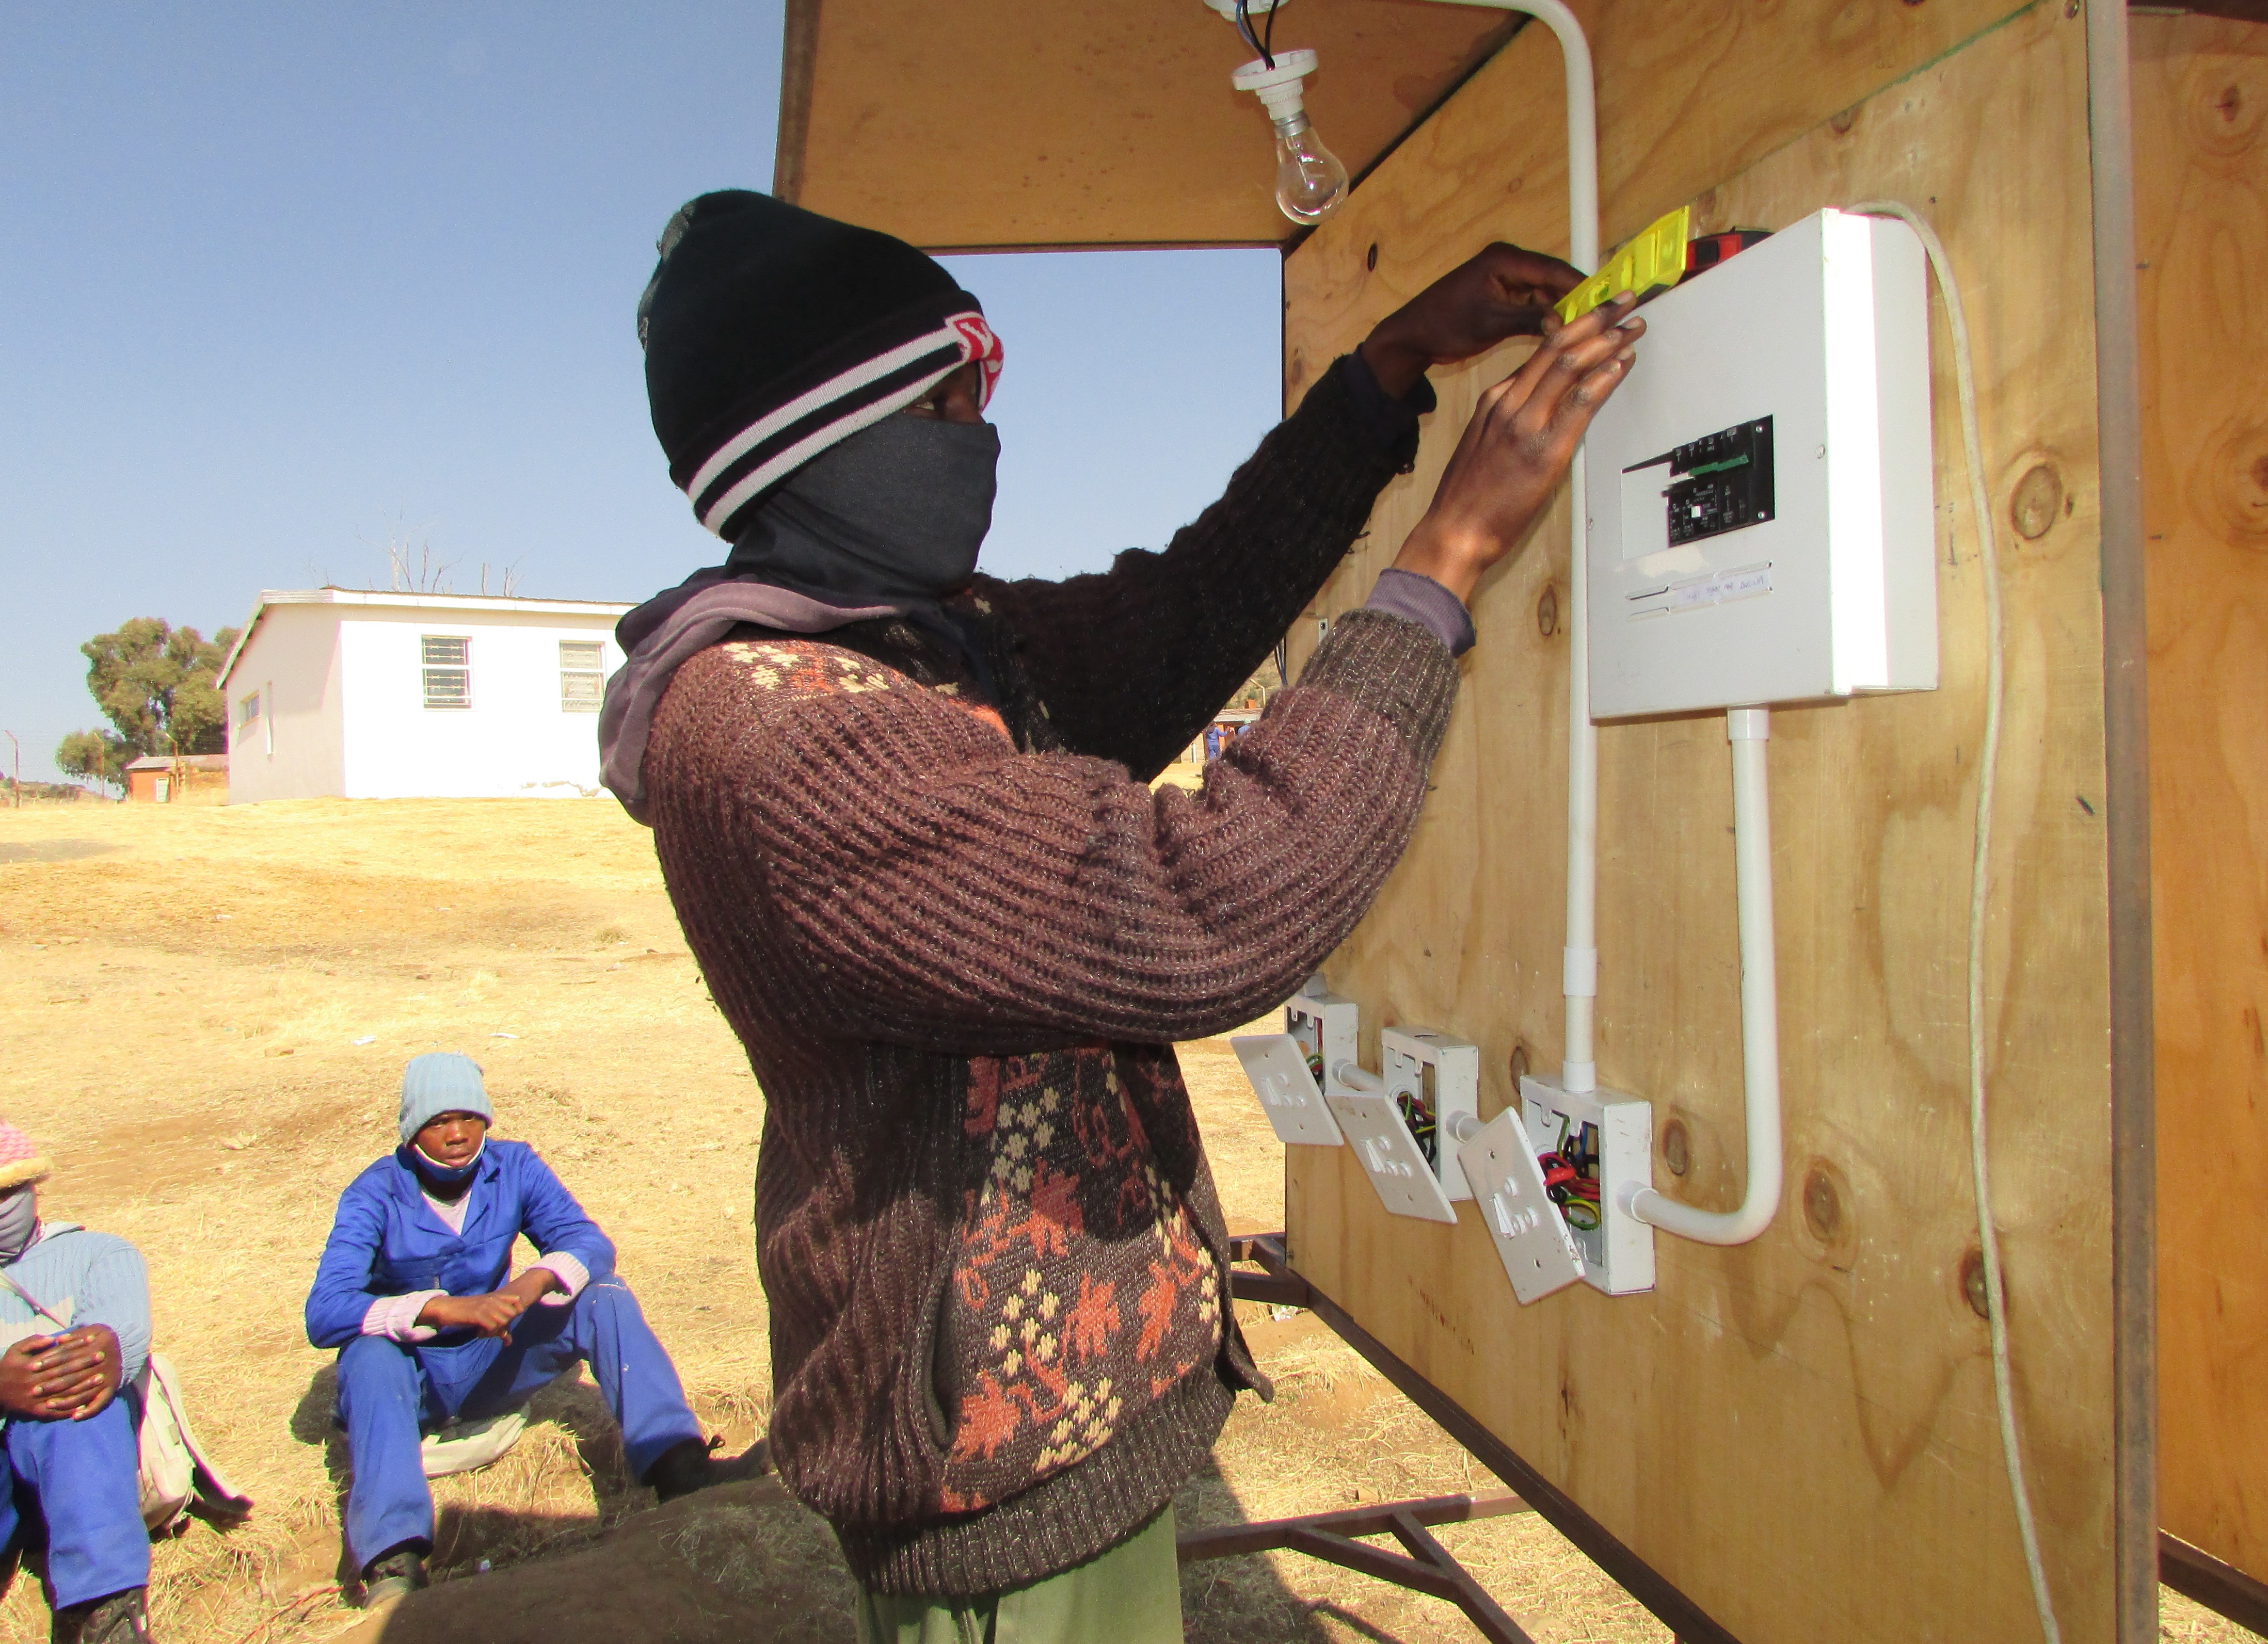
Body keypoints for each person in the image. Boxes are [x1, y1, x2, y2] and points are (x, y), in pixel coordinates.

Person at [601, 190, 1641, 1641]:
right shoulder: (781, 732)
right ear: (834, 429)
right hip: (995, 1477)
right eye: (959, 388)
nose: (984, 425)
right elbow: (1205, 905)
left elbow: (1182, 616)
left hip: (1073, 1418)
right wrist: (1445, 563)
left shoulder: (919, 647)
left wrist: (1385, 372)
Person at [304, 1054, 756, 1608]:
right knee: (367, 1355)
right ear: (410, 1129)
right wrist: (444, 1310)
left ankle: (677, 1465)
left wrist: (533, 1282)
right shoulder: (375, 1192)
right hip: (410, 1384)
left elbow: (589, 1242)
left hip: (494, 1362)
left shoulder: (513, 1168)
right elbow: (326, 1311)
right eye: (438, 1121)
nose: (456, 1135)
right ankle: (393, 1560)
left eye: (469, 1118)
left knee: (602, 1296)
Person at [0, 1118, 159, 1644]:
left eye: (8, 1190)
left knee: (79, 1405)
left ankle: (107, 1614)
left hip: (74, 1458)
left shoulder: (98, 1254)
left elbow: (123, 1329)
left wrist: (110, 1351)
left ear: (33, 1188)